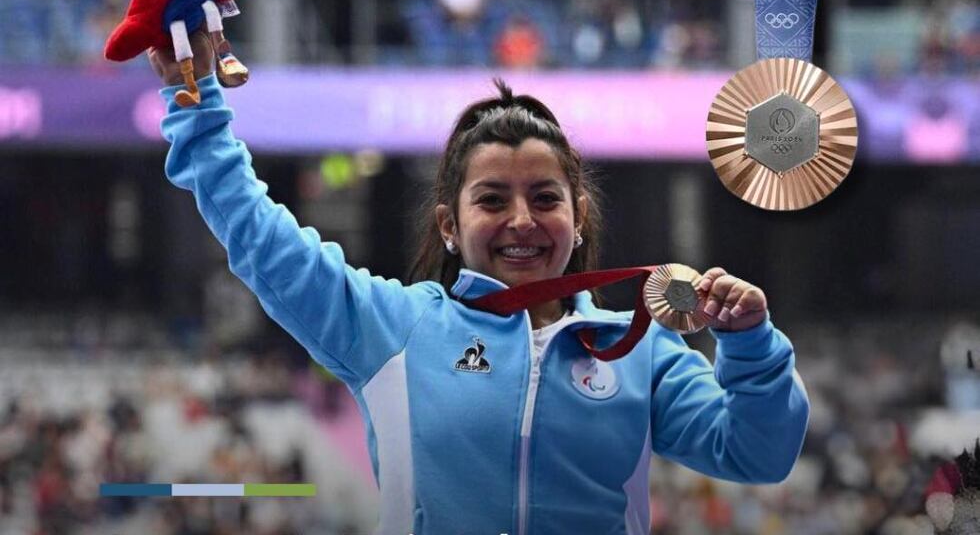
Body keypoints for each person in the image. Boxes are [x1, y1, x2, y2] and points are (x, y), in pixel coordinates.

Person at [149, 32, 809, 535]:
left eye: (545, 198)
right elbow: (260, 237)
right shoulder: (393, 327)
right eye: (492, 199)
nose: (521, 221)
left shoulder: (640, 350)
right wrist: (199, 107)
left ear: (577, 219)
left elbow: (757, 454)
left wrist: (750, 344)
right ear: (449, 224)